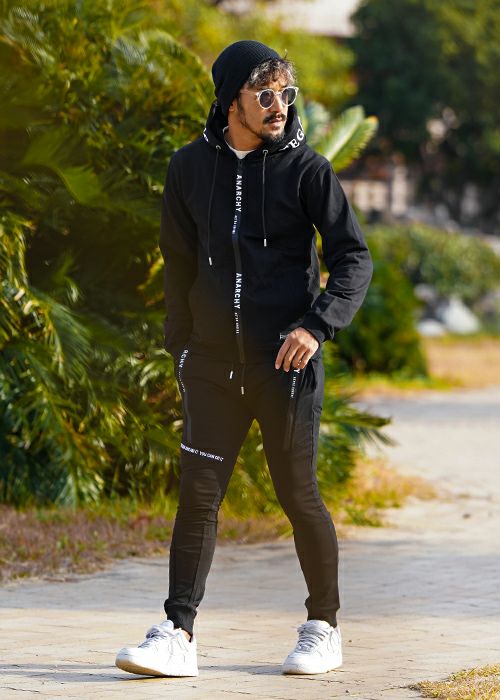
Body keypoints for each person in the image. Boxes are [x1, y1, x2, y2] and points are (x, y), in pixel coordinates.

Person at [115, 39, 373, 678]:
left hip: (284, 365)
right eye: (265, 94)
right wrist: (181, 347)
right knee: (198, 497)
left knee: (297, 494)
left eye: (286, 93)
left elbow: (352, 258)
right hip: (210, 365)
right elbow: (177, 262)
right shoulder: (188, 168)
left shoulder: (307, 171)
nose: (279, 105)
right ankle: (177, 634)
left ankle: (323, 628)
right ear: (231, 100)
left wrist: (317, 325)